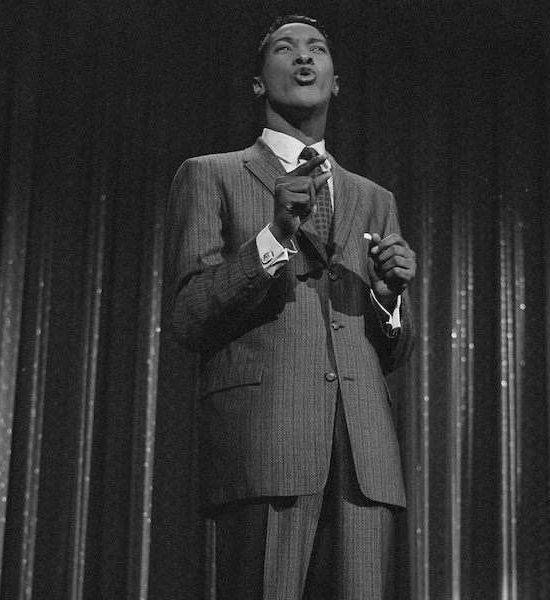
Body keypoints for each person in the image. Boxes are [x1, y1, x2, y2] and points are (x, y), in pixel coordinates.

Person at [164, 14, 417, 599]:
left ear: (335, 82)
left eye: (318, 50)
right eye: (285, 48)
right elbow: (189, 315)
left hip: (362, 461)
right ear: (258, 83)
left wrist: (388, 299)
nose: (304, 58)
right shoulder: (211, 176)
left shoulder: (375, 199)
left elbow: (393, 350)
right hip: (264, 445)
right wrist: (274, 238)